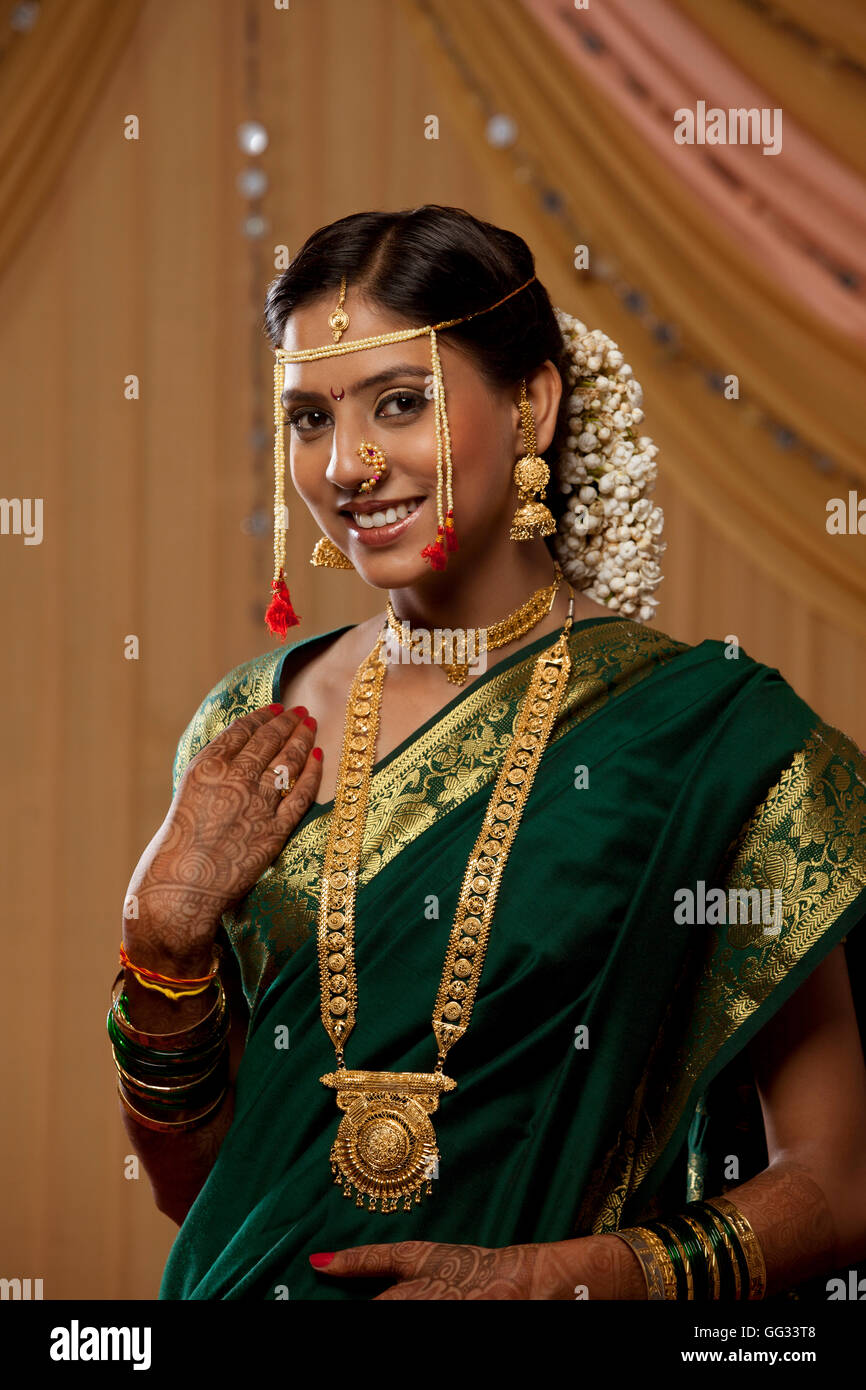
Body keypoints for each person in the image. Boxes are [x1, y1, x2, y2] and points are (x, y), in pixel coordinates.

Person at [111, 206, 866, 1302]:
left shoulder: (709, 738)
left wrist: (544, 1282)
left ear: (532, 404)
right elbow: (205, 1190)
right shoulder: (252, 729)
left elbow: (836, 1188)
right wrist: (161, 953)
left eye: (400, 403)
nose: (349, 464)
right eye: (310, 417)